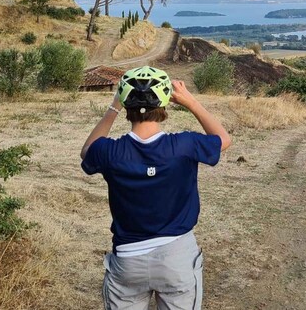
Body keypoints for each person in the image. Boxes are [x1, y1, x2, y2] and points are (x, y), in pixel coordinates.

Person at [80, 66, 231, 310]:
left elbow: (87, 151)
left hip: (127, 259)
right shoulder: (184, 145)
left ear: (127, 106)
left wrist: (113, 106)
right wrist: (190, 101)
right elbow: (224, 139)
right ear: (163, 104)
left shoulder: (109, 152)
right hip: (177, 256)